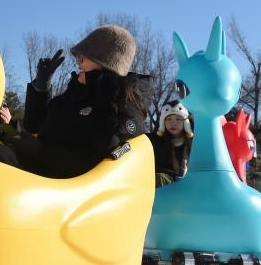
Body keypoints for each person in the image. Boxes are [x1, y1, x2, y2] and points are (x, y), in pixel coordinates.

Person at [11, 25, 149, 178]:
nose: (78, 62)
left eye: (82, 57)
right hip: (38, 176)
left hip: (66, 193)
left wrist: (38, 150)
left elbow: (96, 167)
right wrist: (41, 89)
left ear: (107, 62)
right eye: (77, 57)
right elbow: (34, 127)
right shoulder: (74, 95)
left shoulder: (120, 109)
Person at [149, 99, 193, 186]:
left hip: (192, 182)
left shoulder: (194, 142)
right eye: (168, 119)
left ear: (185, 122)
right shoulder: (156, 141)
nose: (173, 123)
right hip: (167, 183)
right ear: (163, 122)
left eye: (178, 119)